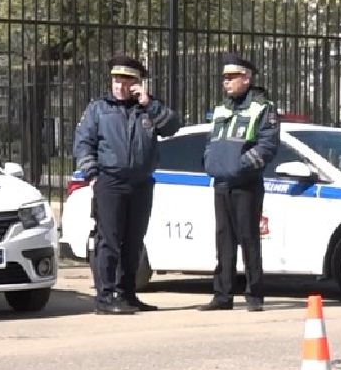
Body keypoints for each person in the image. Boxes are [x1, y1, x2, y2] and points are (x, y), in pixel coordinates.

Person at [72, 55, 181, 315]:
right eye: (116, 80)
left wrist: (149, 102)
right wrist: (92, 173)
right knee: (109, 240)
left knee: (134, 240)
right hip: (110, 181)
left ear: (137, 83)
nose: (119, 85)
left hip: (141, 183)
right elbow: (82, 142)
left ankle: (128, 293)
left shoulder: (148, 109)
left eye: (126, 80)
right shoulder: (98, 108)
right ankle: (105, 296)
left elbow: (173, 127)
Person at [201, 52, 280, 312]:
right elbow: (212, 141)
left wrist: (240, 166)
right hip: (222, 182)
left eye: (231, 77)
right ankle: (222, 295)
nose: (226, 82)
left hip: (246, 183)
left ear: (246, 78)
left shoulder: (262, 108)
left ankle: (255, 294)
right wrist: (210, 162)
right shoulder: (222, 108)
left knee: (248, 238)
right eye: (224, 78)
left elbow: (268, 146)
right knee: (223, 240)